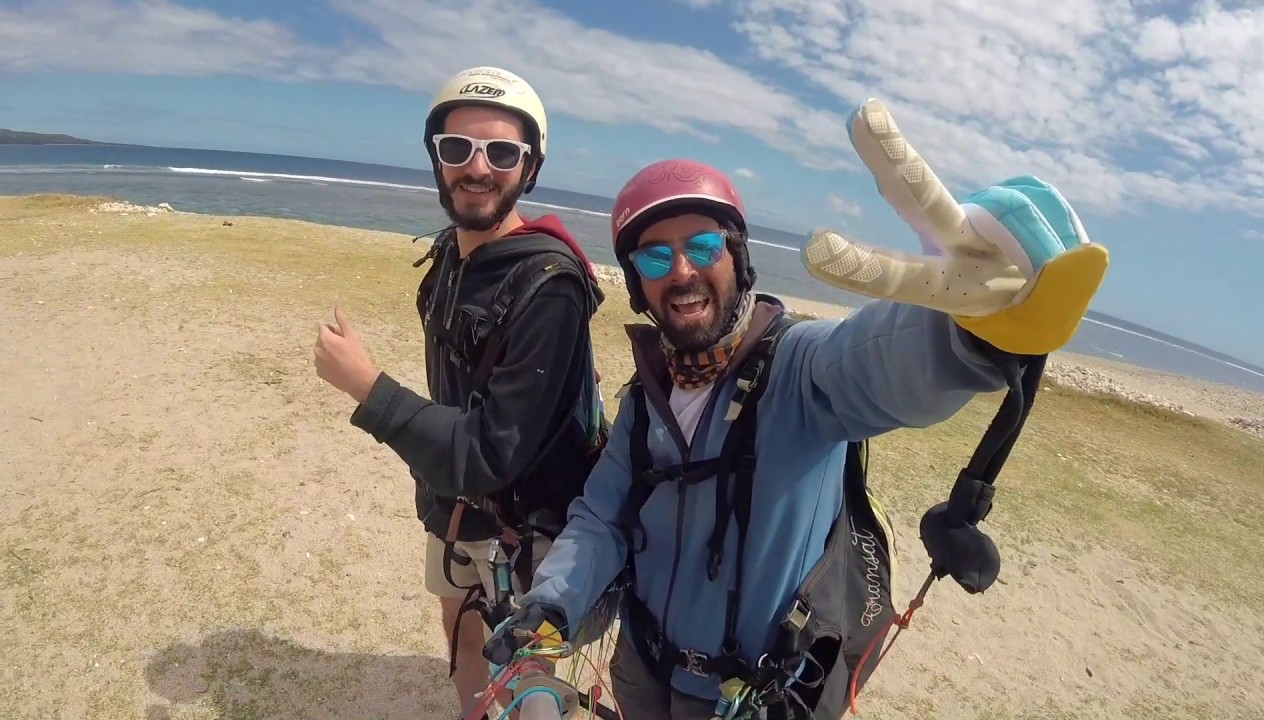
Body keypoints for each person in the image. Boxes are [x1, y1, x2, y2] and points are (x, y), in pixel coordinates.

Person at [482, 98, 1109, 719]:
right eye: (654, 256)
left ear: (737, 255)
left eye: (702, 247)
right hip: (644, 674)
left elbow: (885, 363)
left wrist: (969, 331)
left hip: (755, 698)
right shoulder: (645, 401)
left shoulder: (799, 372)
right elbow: (601, 517)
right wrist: (551, 609)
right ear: (639, 283)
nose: (681, 272)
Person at [313, 65, 610, 716]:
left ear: (529, 170)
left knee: (528, 688)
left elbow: (492, 451)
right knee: (461, 645)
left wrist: (366, 387)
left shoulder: (549, 287)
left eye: (502, 152)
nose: (477, 167)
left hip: (533, 533)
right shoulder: (454, 251)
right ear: (436, 159)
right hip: (450, 507)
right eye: (458, 149)